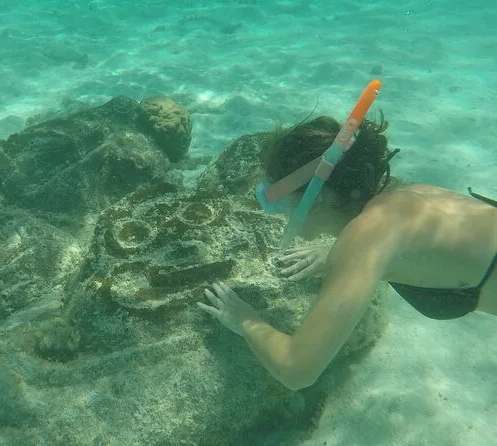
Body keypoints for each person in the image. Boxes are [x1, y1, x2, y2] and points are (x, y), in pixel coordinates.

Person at [197, 115, 497, 391]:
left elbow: (295, 370)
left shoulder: (366, 238)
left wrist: (245, 320)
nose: (280, 213)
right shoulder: (405, 195)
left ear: (318, 198)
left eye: (280, 200)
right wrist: (339, 251)